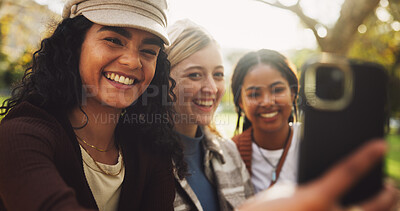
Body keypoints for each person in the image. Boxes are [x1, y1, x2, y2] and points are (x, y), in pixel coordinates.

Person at [0, 0, 185, 210]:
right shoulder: (20, 136)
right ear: (74, 44)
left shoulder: (151, 148)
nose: (133, 62)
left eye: (149, 51)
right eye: (114, 40)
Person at [165, 19, 254, 211]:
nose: (212, 88)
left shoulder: (228, 152)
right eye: (195, 75)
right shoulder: (140, 160)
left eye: (218, 74)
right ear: (162, 81)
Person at [231, 49, 300, 193]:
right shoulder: (228, 155)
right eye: (254, 94)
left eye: (277, 90)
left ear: (292, 93)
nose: (267, 102)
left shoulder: (316, 141)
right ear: (241, 102)